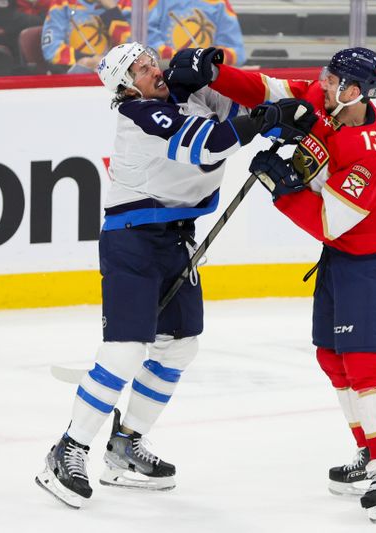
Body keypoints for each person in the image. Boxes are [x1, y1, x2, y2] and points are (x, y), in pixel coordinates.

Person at [34, 42, 315, 509]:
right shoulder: (140, 114)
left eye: (152, 63)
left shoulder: (188, 95)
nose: (153, 71)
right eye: (141, 71)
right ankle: (69, 449)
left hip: (176, 240)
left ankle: (125, 445)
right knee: (124, 354)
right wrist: (267, 121)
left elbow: (249, 103)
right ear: (125, 87)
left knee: (181, 345)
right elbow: (213, 143)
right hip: (133, 241)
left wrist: (261, 100)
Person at [166, 46, 376, 522]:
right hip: (341, 261)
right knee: (331, 357)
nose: (323, 81)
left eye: (334, 78)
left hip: (369, 263)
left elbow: (329, 221)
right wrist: (216, 73)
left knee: (364, 362)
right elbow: (267, 90)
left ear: (355, 90)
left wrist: (283, 189)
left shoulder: (368, 156)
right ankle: (368, 449)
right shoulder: (326, 98)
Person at [41, 0, 124, 74]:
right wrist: (87, 59)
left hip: (117, 73)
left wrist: (113, 11)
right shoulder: (62, 3)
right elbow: (51, 50)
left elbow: (131, 48)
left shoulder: (126, 4)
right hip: (77, 73)